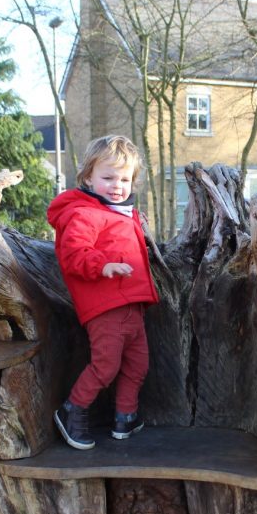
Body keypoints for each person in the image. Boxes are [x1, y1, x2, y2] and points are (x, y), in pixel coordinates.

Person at [46, 135, 159, 450]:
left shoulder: (120, 213)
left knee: (137, 365)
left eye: (124, 179)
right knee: (106, 365)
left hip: (133, 305)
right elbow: (73, 253)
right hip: (107, 306)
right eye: (108, 178)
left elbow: (123, 237)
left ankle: (126, 416)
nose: (117, 185)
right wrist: (103, 265)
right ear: (87, 178)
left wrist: (141, 227)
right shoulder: (83, 213)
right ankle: (72, 410)